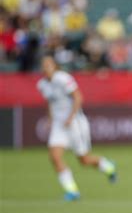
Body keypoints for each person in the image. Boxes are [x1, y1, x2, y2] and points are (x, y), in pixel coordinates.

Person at [37, 55, 117, 201]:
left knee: (84, 160)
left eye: (48, 65)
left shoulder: (62, 78)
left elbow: (78, 97)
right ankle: (72, 191)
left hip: (75, 122)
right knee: (54, 156)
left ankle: (108, 166)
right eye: (43, 65)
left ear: (55, 66)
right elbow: (49, 102)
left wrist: (70, 117)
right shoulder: (42, 84)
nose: (46, 68)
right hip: (59, 124)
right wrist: (50, 119)